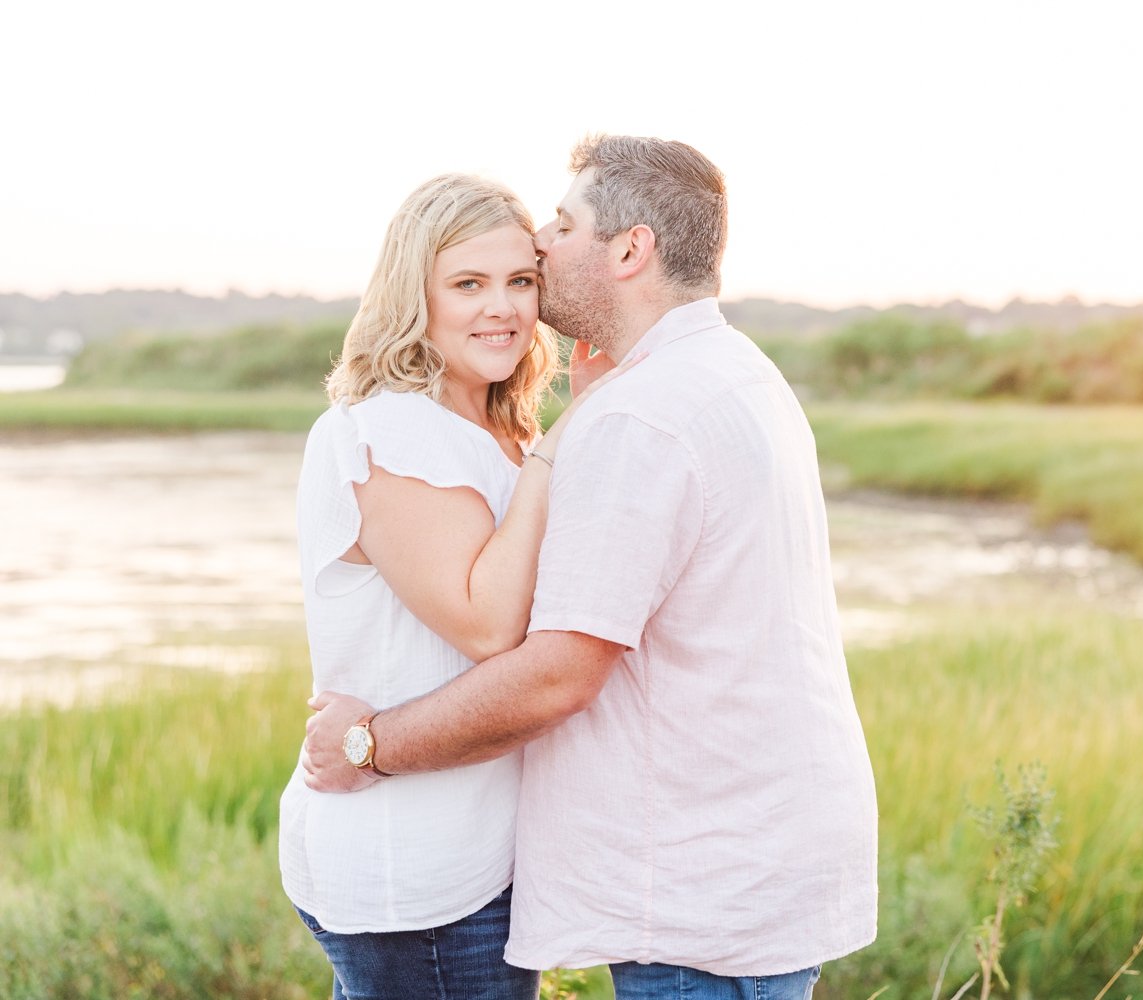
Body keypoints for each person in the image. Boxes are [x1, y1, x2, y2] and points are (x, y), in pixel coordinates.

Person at [303, 136, 879, 999]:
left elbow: (554, 675)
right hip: (692, 876)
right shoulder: (730, 373)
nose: (541, 244)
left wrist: (368, 742)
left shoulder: (634, 416)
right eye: (469, 281)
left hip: (696, 888)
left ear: (630, 248)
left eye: (557, 233)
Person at [280, 172, 618, 1000]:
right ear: (415, 296)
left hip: (469, 854)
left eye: (519, 282)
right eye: (467, 284)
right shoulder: (391, 425)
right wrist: (568, 437)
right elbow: (485, 624)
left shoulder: (492, 432)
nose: (500, 308)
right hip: (417, 873)